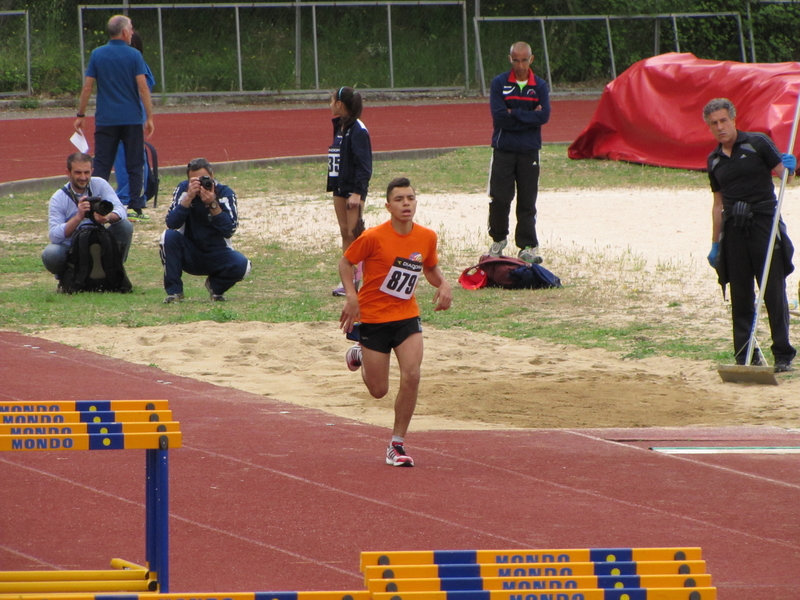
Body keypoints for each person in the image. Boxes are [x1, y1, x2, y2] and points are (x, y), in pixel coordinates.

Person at [339, 177, 452, 467]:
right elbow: (346, 262)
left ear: (416, 202)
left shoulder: (426, 236)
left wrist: (443, 284)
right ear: (388, 206)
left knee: (412, 375)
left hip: (406, 317)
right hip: (373, 318)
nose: (406, 204)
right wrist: (351, 296)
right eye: (400, 199)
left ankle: (396, 444)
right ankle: (361, 353)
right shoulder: (374, 237)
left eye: (410, 198)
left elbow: (429, 267)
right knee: (379, 391)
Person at [704, 97, 797, 372]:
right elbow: (718, 205)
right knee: (741, 295)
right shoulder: (714, 160)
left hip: (764, 227)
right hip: (734, 231)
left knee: (773, 292)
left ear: (733, 119)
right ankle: (745, 354)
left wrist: (789, 167)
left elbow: (784, 176)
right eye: (714, 124)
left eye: (723, 120)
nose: (720, 127)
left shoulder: (758, 143)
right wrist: (715, 243)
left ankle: (783, 355)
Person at [74, 15, 154, 220]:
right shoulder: (134, 55)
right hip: (132, 118)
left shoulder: (97, 54)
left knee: (101, 163)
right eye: (131, 28)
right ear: (125, 32)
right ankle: (135, 205)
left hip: (106, 119)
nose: (133, 32)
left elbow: (87, 87)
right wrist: (150, 116)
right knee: (135, 162)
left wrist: (81, 114)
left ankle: (96, 202)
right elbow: (143, 88)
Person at [487, 41, 551, 265]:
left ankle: (527, 246)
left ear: (531, 59)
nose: (520, 65)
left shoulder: (540, 86)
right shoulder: (499, 83)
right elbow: (499, 116)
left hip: (529, 151)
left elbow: (544, 117)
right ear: (510, 59)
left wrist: (513, 112)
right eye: (516, 60)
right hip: (504, 149)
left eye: (524, 60)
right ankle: (497, 241)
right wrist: (527, 115)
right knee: (500, 197)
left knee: (527, 200)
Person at [159, 158, 251, 303]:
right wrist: (188, 198)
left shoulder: (225, 193)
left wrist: (212, 204)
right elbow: (172, 223)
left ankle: (215, 287)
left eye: (204, 179)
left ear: (212, 176)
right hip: (189, 252)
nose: (200, 184)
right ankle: (175, 292)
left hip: (217, 253)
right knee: (167, 236)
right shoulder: (183, 190)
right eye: (194, 180)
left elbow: (229, 229)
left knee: (243, 265)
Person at [42, 152, 133, 286]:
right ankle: (67, 278)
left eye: (86, 172)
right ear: (68, 172)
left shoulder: (100, 185)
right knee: (51, 253)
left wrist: (107, 217)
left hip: (100, 239)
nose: (83, 177)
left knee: (125, 226)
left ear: (92, 171)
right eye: (78, 173)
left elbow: (121, 210)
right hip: (73, 246)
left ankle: (113, 270)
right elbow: (55, 236)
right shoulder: (59, 198)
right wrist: (78, 217)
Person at [327, 86, 372, 296]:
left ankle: (357, 279)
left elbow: (364, 165)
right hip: (339, 186)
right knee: (345, 232)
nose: (329, 104)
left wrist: (357, 192)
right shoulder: (340, 127)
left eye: (331, 100)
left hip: (353, 190)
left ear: (339, 104)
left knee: (355, 235)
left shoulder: (358, 130)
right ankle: (346, 278)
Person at [112, 31, 156, 220]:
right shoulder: (135, 66)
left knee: (131, 160)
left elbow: (143, 91)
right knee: (127, 160)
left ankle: (130, 197)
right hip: (127, 119)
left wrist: (146, 117)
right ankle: (127, 198)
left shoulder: (134, 67)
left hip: (129, 119)